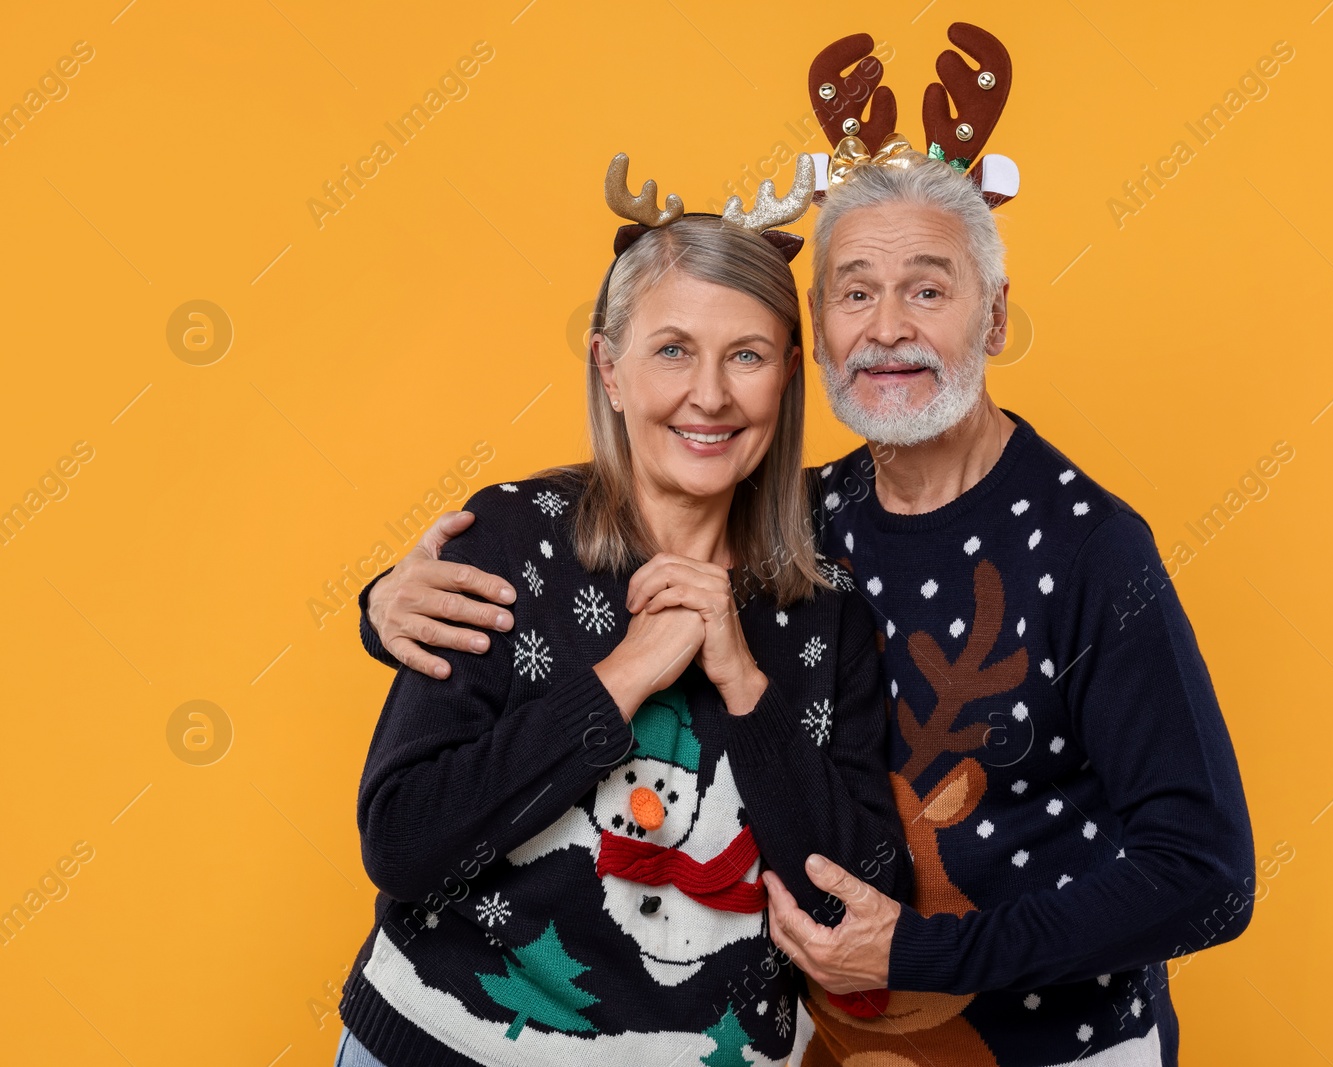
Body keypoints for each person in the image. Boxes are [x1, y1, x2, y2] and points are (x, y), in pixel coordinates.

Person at [357, 24, 1256, 1067]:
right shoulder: (795, 521)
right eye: (853, 291)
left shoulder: (1090, 545)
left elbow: (1205, 871)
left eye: (928, 288)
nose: (886, 328)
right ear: (815, 338)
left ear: (995, 317)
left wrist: (928, 949)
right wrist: (389, 601)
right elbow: (591, 555)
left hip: (1050, 1045)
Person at [333, 152, 909, 1067]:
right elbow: (404, 843)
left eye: (747, 356)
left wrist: (745, 685)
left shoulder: (824, 608)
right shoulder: (511, 542)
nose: (710, 394)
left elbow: (856, 906)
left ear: (790, 376)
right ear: (609, 365)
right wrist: (625, 674)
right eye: (672, 349)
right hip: (444, 1045)